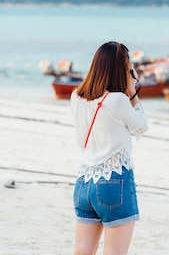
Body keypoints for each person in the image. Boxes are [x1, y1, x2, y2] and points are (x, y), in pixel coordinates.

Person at [71, 41, 148, 255]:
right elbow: (141, 126)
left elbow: (81, 140)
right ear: (121, 68)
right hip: (115, 182)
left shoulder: (76, 96)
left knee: (82, 252)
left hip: (84, 182)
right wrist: (132, 91)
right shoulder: (118, 100)